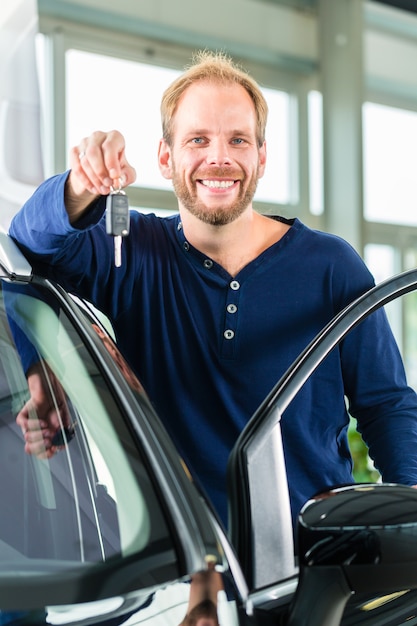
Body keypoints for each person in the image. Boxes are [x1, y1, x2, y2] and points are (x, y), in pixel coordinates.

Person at [9, 50, 417, 529]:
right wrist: (79, 185)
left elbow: (386, 405)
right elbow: (29, 242)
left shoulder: (333, 266)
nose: (219, 158)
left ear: (261, 157)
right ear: (166, 157)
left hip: (323, 559)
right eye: (198, 139)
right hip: (189, 571)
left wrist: (408, 513)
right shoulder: (130, 252)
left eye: (238, 140)